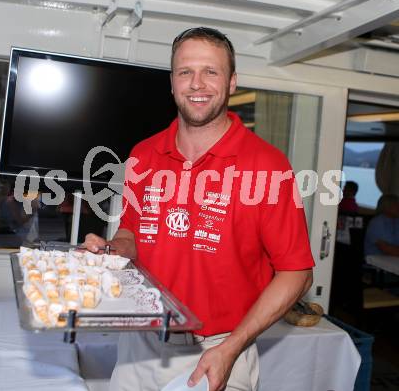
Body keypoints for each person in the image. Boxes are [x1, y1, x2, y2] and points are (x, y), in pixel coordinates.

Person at [85, 27, 314, 391]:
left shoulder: (267, 166)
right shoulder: (143, 154)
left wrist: (232, 347)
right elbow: (131, 232)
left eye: (211, 71)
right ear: (172, 82)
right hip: (140, 346)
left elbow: (296, 272)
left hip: (220, 349)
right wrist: (111, 250)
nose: (197, 83)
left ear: (232, 82)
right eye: (185, 72)